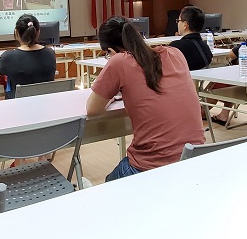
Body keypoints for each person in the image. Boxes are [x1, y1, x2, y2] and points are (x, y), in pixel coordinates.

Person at [86, 16, 205, 182]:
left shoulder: (119, 61)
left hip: (152, 167)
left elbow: (92, 109)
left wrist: (111, 97)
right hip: (195, 159)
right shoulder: (175, 53)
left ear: (111, 52)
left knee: (108, 183)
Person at [0, 14, 56, 99]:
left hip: (17, 108)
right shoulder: (50, 54)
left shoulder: (8, 57)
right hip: (45, 106)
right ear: (38, 33)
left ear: (16, 32)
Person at [169, 6, 213, 70]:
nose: (177, 23)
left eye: (178, 21)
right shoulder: (205, 46)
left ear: (185, 25)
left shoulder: (176, 47)